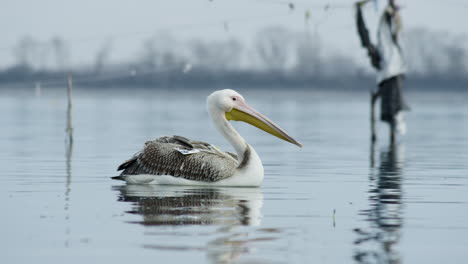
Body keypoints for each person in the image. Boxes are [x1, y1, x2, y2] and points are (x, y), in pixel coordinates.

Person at [355, 0, 409, 143]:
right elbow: (366, 35)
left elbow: (387, 32)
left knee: (392, 111)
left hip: (391, 76)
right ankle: (392, 131)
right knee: (391, 111)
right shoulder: (385, 54)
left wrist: (391, 13)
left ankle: (392, 130)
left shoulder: (389, 53)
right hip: (389, 76)